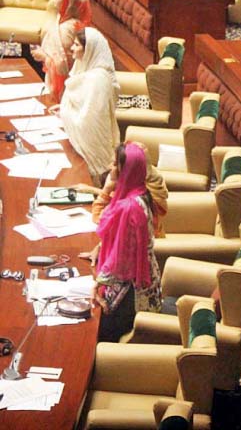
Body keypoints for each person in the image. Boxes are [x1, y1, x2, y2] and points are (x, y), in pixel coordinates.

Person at [91, 142, 162, 342]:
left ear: (125, 170)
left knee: (92, 327)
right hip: (147, 283)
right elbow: (126, 241)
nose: (111, 168)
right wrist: (101, 247)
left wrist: (98, 284)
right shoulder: (142, 195)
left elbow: (121, 260)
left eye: (115, 164)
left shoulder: (128, 207)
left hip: (133, 294)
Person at [52, 27, 120, 184]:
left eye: (76, 45)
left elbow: (87, 122)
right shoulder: (86, 69)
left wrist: (65, 113)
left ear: (89, 49)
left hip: (92, 152)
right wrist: (64, 108)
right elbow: (80, 103)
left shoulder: (98, 79)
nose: (72, 48)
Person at [31, 0, 92, 102]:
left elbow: (64, 67)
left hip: (68, 91)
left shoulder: (67, 29)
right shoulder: (62, 19)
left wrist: (44, 57)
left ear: (68, 2)